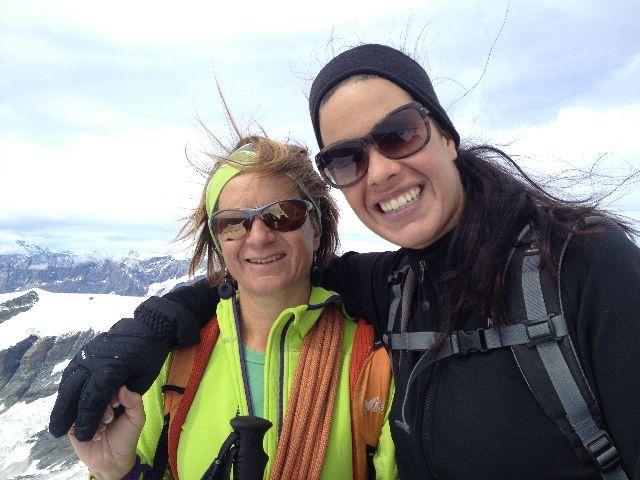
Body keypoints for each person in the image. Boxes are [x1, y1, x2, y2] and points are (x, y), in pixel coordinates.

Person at [51, 44, 640, 479]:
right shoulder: (395, 288)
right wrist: (158, 322)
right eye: (349, 158)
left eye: (399, 134)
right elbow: (266, 279)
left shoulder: (582, 267)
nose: (379, 170)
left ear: (446, 134)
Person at [62, 136, 397, 480]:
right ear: (219, 243)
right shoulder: (173, 362)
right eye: (233, 223)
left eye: (283, 215)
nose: (259, 236)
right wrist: (117, 471)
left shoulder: (372, 363)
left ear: (316, 230)